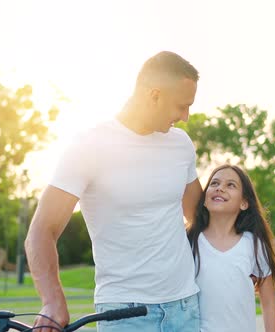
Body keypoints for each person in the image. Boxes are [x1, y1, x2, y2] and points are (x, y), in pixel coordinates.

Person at [25, 51, 203, 332]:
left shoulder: (181, 144)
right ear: (154, 95)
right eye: (182, 106)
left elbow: (201, 219)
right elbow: (41, 230)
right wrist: (51, 300)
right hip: (124, 314)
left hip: (185, 307)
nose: (186, 117)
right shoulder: (89, 146)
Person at [186, 165, 275, 332]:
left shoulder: (254, 245)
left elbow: (269, 305)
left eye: (231, 185)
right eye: (214, 183)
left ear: (244, 203)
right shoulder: (190, 242)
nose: (220, 188)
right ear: (205, 198)